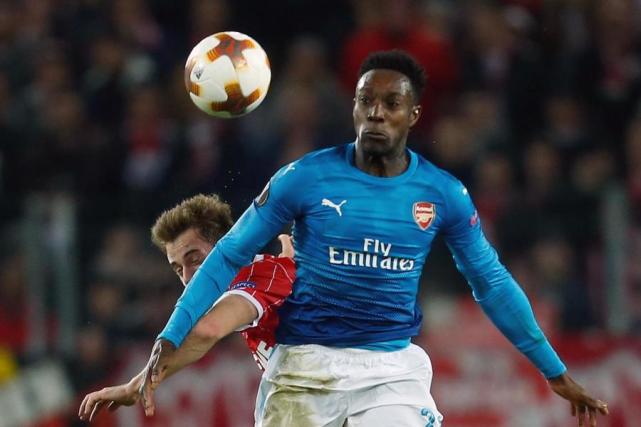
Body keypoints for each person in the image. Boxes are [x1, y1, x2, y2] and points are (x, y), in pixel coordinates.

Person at [153, 50, 608, 427]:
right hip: (303, 370)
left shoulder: (442, 193)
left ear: (413, 115)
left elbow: (492, 284)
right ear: (353, 107)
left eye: (391, 103)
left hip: (390, 373)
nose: (376, 112)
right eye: (365, 100)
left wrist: (553, 369)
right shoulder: (304, 178)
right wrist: (169, 338)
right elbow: (228, 254)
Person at [78, 194, 295, 422]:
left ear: (226, 247)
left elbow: (207, 331)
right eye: (178, 269)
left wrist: (137, 384)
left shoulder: (260, 278)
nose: (189, 279)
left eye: (195, 260)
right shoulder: (270, 276)